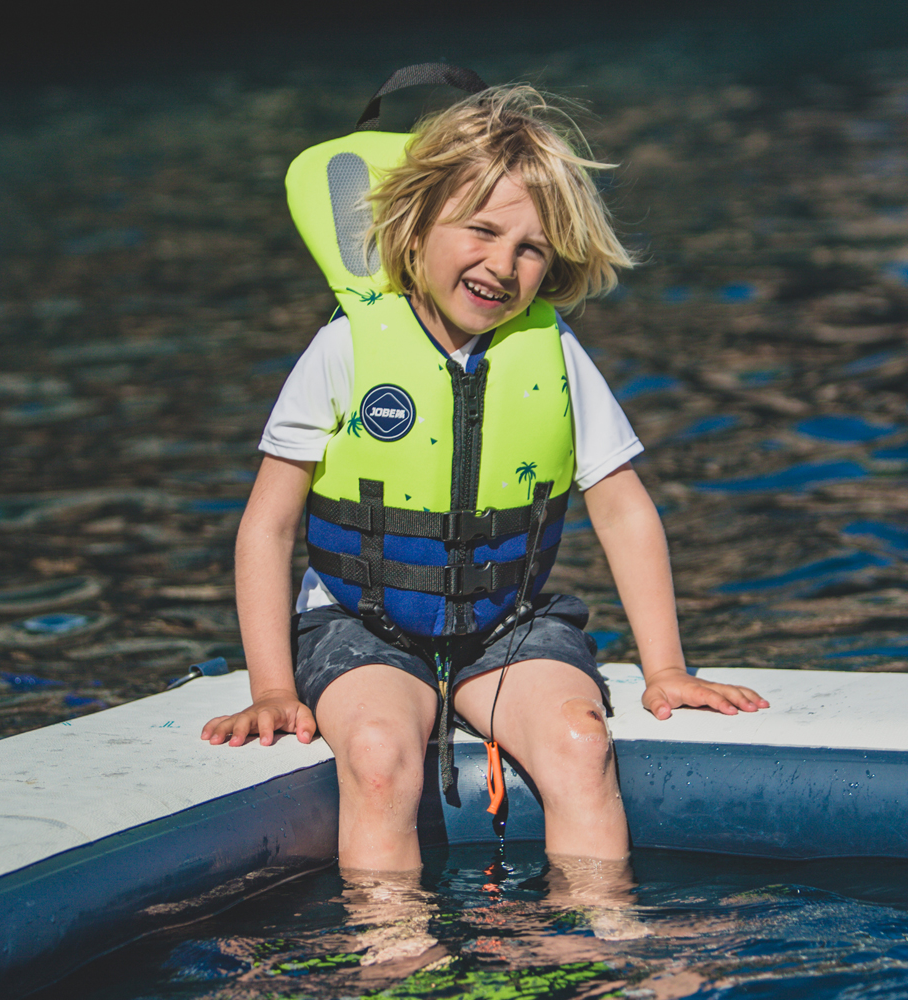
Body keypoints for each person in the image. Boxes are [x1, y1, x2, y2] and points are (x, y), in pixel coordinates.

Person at [201, 84, 768, 876]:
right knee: (376, 755)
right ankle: (396, 963)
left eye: (531, 248)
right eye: (483, 230)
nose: (502, 264)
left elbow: (623, 510)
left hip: (509, 621)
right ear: (415, 222)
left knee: (580, 745)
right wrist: (270, 685)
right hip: (359, 624)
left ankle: (601, 948)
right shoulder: (346, 348)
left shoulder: (554, 353)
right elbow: (265, 527)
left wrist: (667, 668)